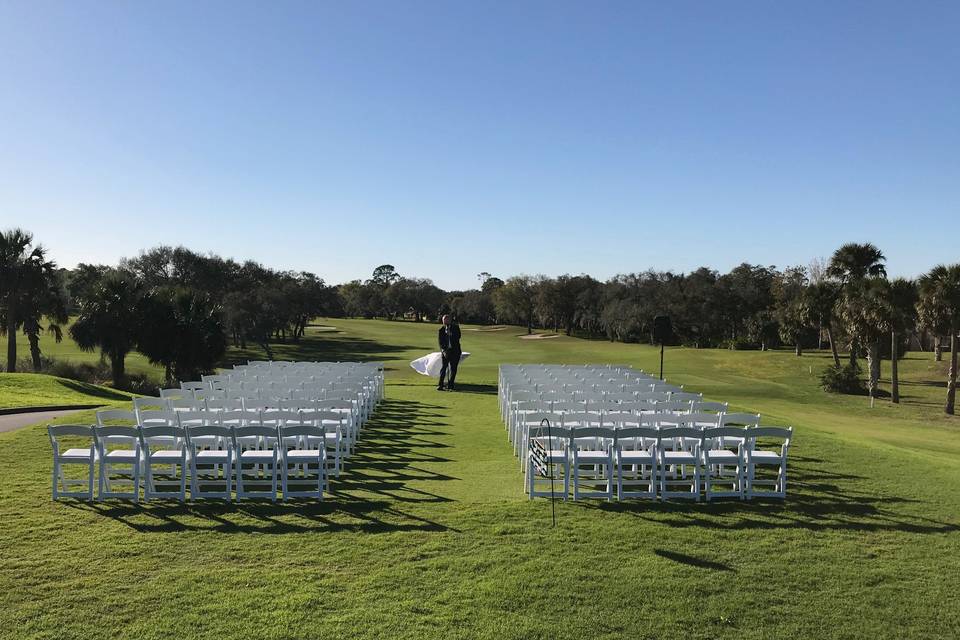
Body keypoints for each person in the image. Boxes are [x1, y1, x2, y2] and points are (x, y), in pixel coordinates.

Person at [437, 314, 462, 391]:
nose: (444, 322)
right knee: (444, 368)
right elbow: (440, 343)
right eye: (443, 320)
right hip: (446, 351)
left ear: (450, 320)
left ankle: (451, 385)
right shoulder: (441, 330)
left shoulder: (455, 328)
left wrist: (450, 334)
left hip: (455, 351)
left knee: (453, 368)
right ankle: (440, 385)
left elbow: (458, 337)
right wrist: (444, 351)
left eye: (446, 320)